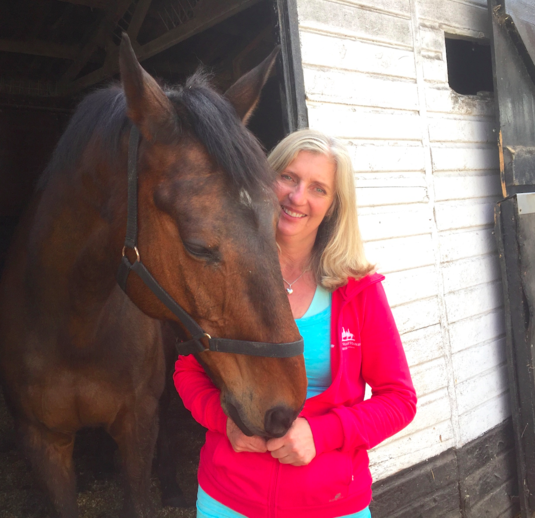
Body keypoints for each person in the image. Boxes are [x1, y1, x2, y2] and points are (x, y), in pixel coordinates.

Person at [174, 129, 417, 518]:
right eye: (288, 177)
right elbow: (188, 369)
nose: (297, 196)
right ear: (266, 181)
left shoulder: (357, 290)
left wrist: (322, 435)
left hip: (332, 505)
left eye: (318, 188)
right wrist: (226, 424)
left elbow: (399, 400)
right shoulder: (225, 273)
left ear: (335, 205)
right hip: (228, 501)